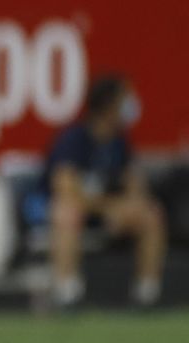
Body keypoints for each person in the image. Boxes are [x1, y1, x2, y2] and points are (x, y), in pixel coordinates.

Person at [44, 74, 165, 309]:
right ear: (109, 106)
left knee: (151, 214)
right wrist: (109, 207)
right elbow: (66, 191)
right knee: (66, 213)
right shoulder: (73, 139)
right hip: (77, 212)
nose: (132, 105)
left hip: (108, 212)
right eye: (125, 100)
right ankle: (67, 294)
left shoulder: (120, 142)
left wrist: (128, 208)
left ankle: (147, 294)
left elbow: (136, 188)